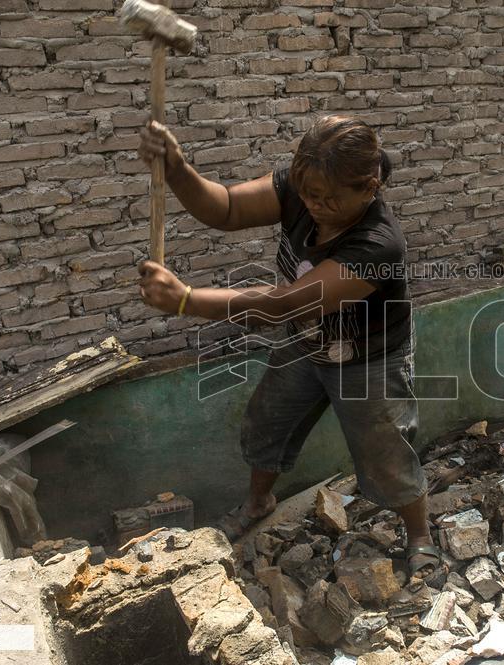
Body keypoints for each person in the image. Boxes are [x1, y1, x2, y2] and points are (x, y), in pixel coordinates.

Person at [136, 114, 443, 579]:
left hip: (368, 359)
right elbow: (226, 209)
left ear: (369, 188)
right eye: (307, 194)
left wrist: (185, 300)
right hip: (307, 342)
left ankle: (419, 535)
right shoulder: (304, 186)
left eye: (328, 199)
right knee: (268, 423)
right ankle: (258, 502)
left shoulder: (378, 245)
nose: (314, 205)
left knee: (385, 453)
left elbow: (284, 304)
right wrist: (177, 168)